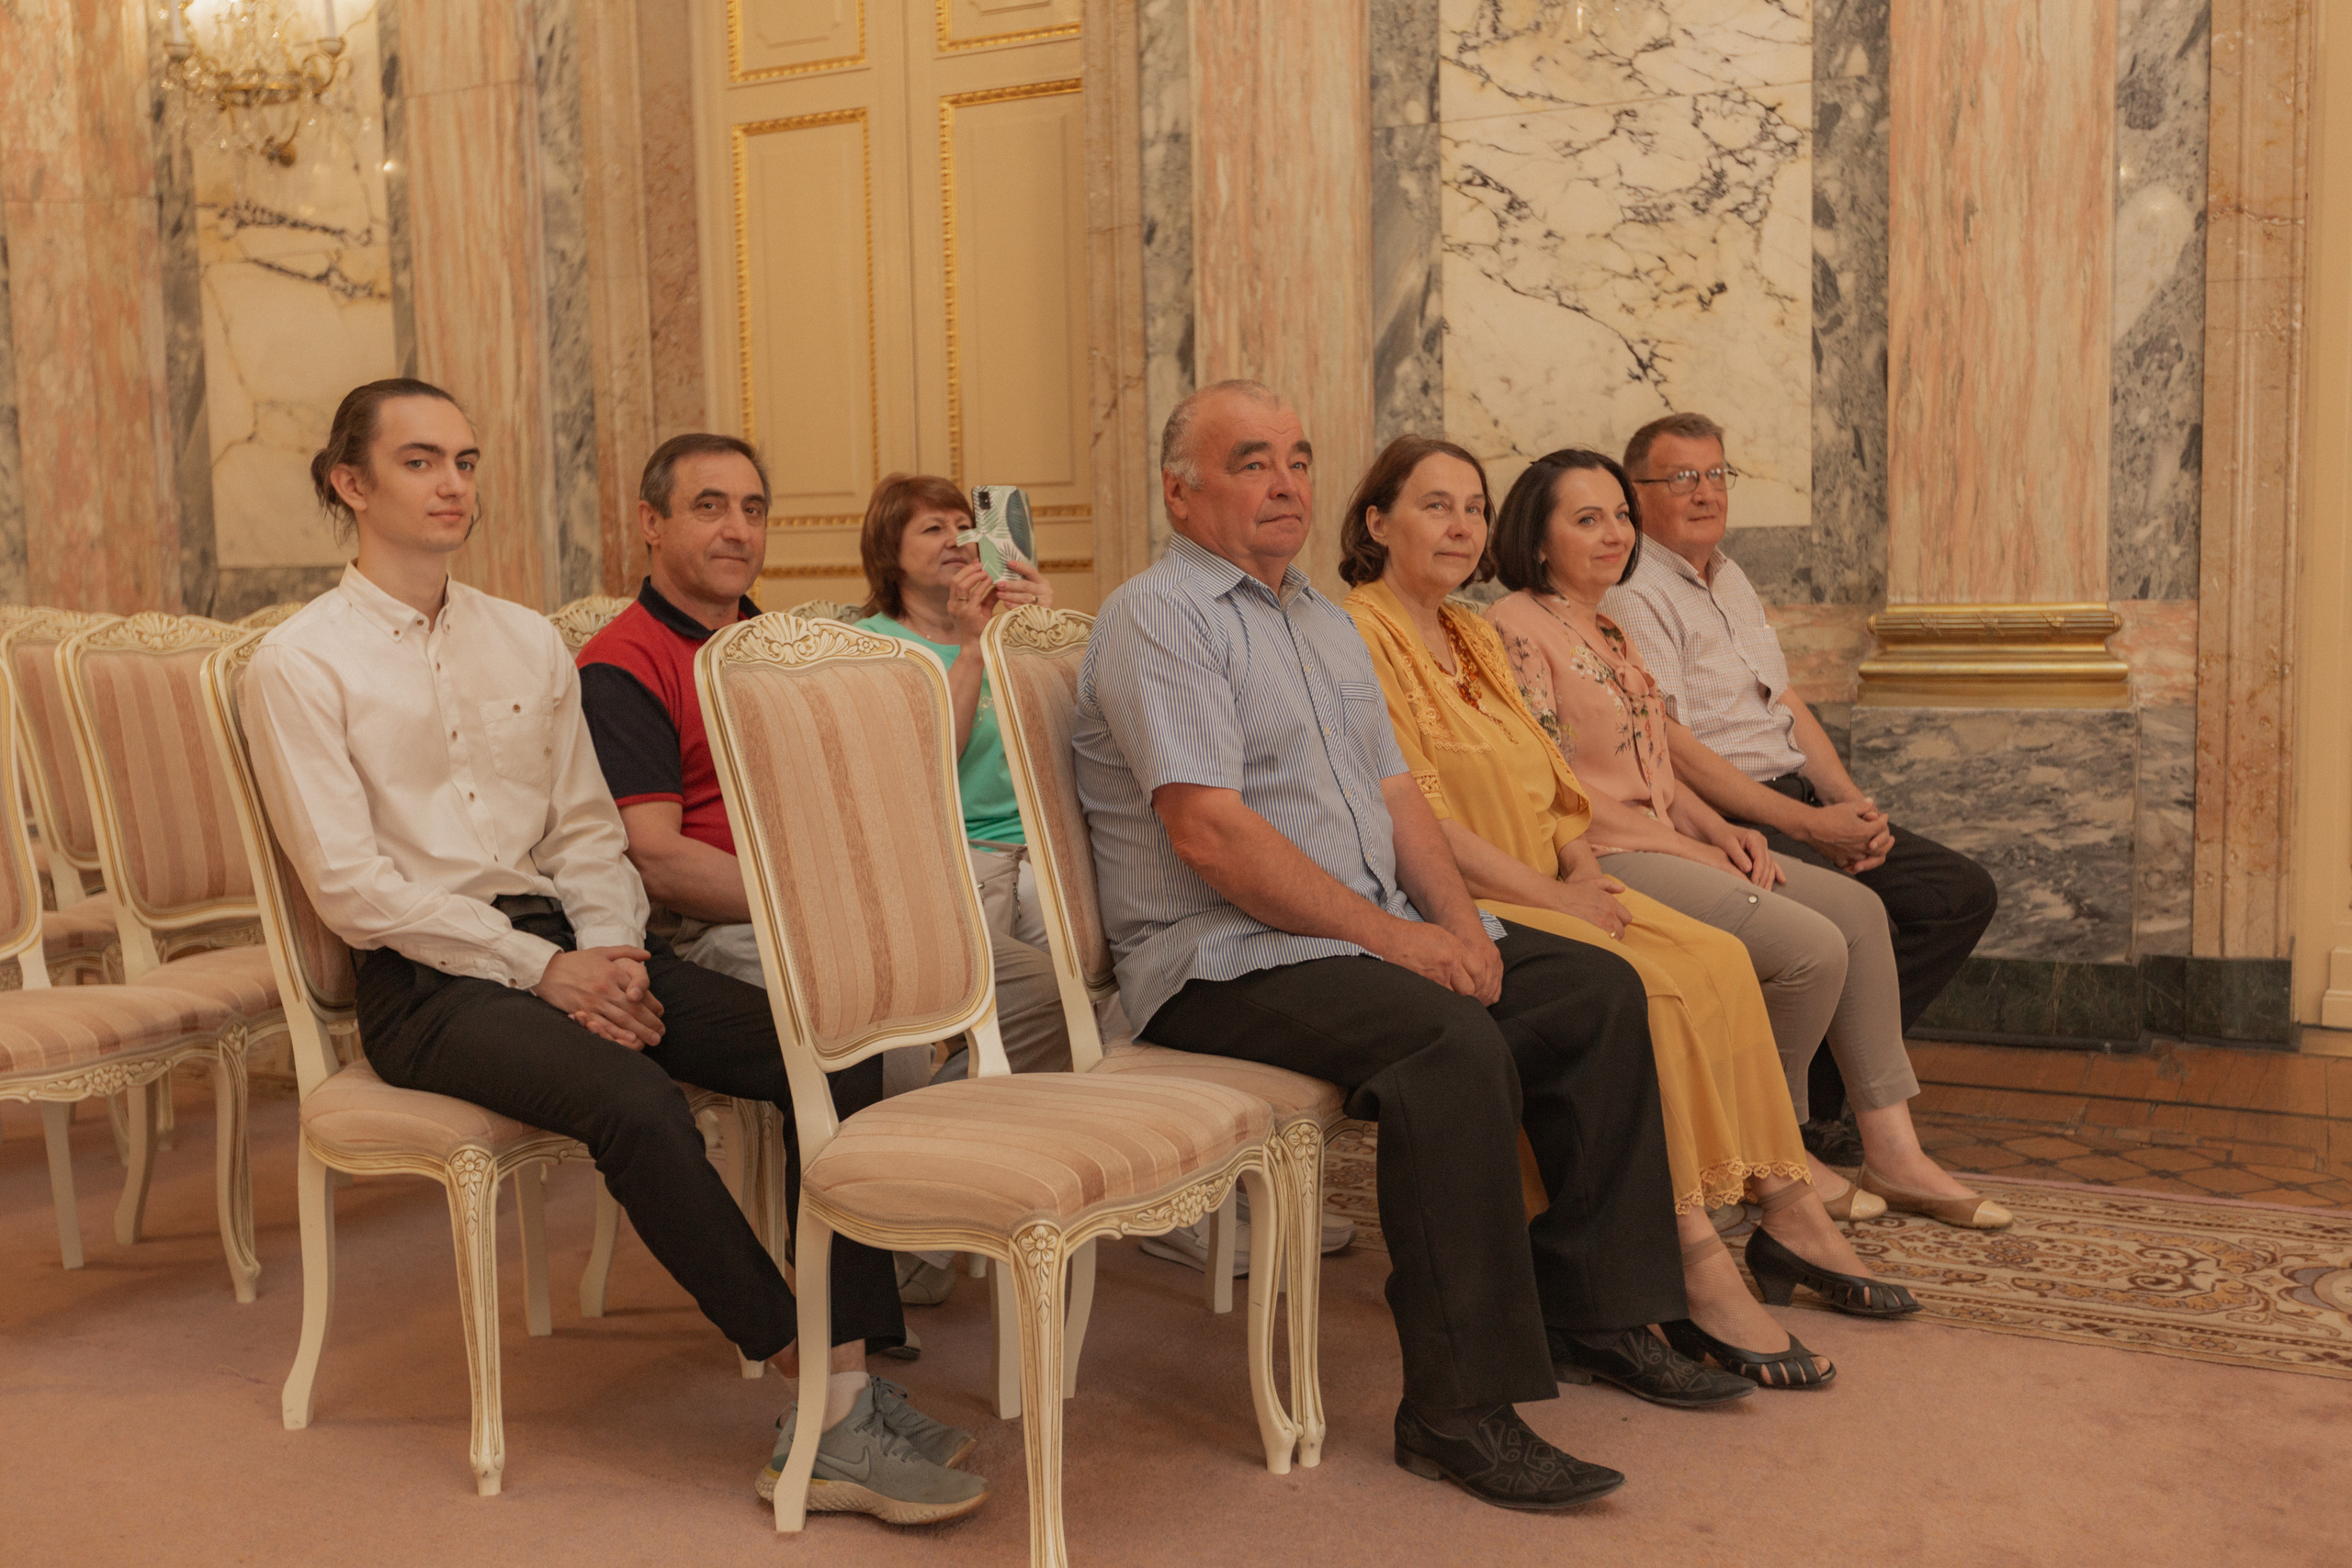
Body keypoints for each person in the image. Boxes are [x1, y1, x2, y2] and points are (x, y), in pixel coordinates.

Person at [246, 382, 987, 1525]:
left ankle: (848, 1373)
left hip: (577, 943)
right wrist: (543, 971)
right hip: (428, 981)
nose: (454, 485)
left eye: (467, 460)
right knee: (636, 1100)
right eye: (421, 462)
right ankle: (823, 1408)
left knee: (826, 1049)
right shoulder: (299, 664)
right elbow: (354, 889)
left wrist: (609, 954)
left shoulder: (523, 639)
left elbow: (589, 831)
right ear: (352, 484)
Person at [1077, 378, 1679, 1512]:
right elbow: (1208, 832)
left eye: (1297, 458)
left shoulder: (1315, 615)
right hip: (1214, 958)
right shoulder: (1161, 615)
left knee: (1590, 989)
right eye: (1250, 460)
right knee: (1450, 1044)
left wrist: (1456, 922)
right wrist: (1398, 943)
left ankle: (1592, 1312)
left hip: (1349, 933)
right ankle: (1455, 1412)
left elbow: (1395, 790)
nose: (1285, 481)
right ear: (1179, 489)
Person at [1341, 434, 1917, 1395]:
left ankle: (1783, 1207)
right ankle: (1688, 1250)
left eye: (1472, 508)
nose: (1459, 526)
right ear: (1376, 522)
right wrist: (1560, 892)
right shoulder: (1360, 633)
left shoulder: (1473, 632)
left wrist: (1577, 864)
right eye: (1436, 506)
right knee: (1649, 984)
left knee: (1719, 963)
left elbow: (1548, 780)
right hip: (1461, 891)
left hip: (1551, 872)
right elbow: (1419, 817)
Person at [1488, 447, 2008, 1229]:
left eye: (1620, 517)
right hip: (1606, 854)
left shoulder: (1604, 625)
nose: (1614, 534)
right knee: (1811, 946)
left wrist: (1723, 829)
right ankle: (1775, 1154)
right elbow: (1555, 789)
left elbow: (1657, 762)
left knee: (1860, 917)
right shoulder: (1515, 627)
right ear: (1536, 538)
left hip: (1664, 834)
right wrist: (1695, 848)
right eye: (1587, 519)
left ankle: (1893, 1151)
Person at [846, 472, 1077, 1086]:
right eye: (932, 528)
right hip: (947, 858)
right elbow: (920, 764)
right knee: (991, 1022)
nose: (956, 539)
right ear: (888, 553)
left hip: (1037, 852)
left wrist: (1039, 636)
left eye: (961, 525)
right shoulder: (871, 647)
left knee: (1088, 1003)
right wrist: (972, 649)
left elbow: (1065, 741)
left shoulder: (1005, 630)